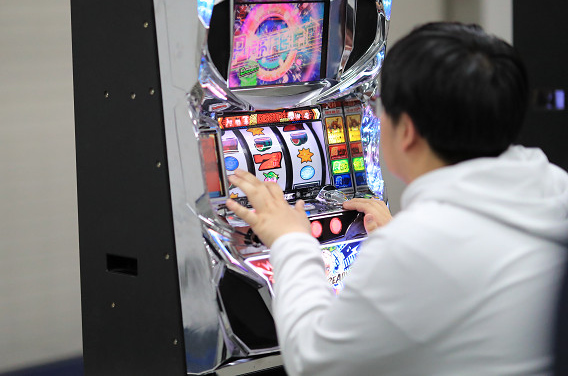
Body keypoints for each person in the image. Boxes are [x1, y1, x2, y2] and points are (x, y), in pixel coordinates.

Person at [226, 22, 568, 375]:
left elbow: (312, 362)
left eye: (379, 107)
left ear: (406, 131)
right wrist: (402, 238)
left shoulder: (417, 247)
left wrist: (290, 239)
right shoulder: (555, 189)